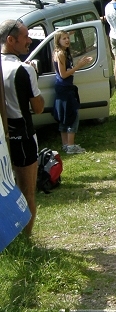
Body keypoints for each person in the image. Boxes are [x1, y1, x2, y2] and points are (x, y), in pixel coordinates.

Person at [0, 19, 45, 236]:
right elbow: (38, 108)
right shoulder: (23, 69)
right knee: (27, 192)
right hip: (22, 134)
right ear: (10, 40)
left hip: (3, 133)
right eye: (25, 36)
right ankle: (26, 241)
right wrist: (34, 77)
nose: (30, 40)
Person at [52, 30, 93, 154]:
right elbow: (64, 74)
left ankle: (65, 145)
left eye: (67, 38)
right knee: (72, 116)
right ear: (58, 41)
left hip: (63, 87)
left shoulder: (61, 52)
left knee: (64, 117)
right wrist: (78, 66)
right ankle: (70, 146)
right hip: (64, 88)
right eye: (63, 38)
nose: (67, 40)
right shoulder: (60, 54)